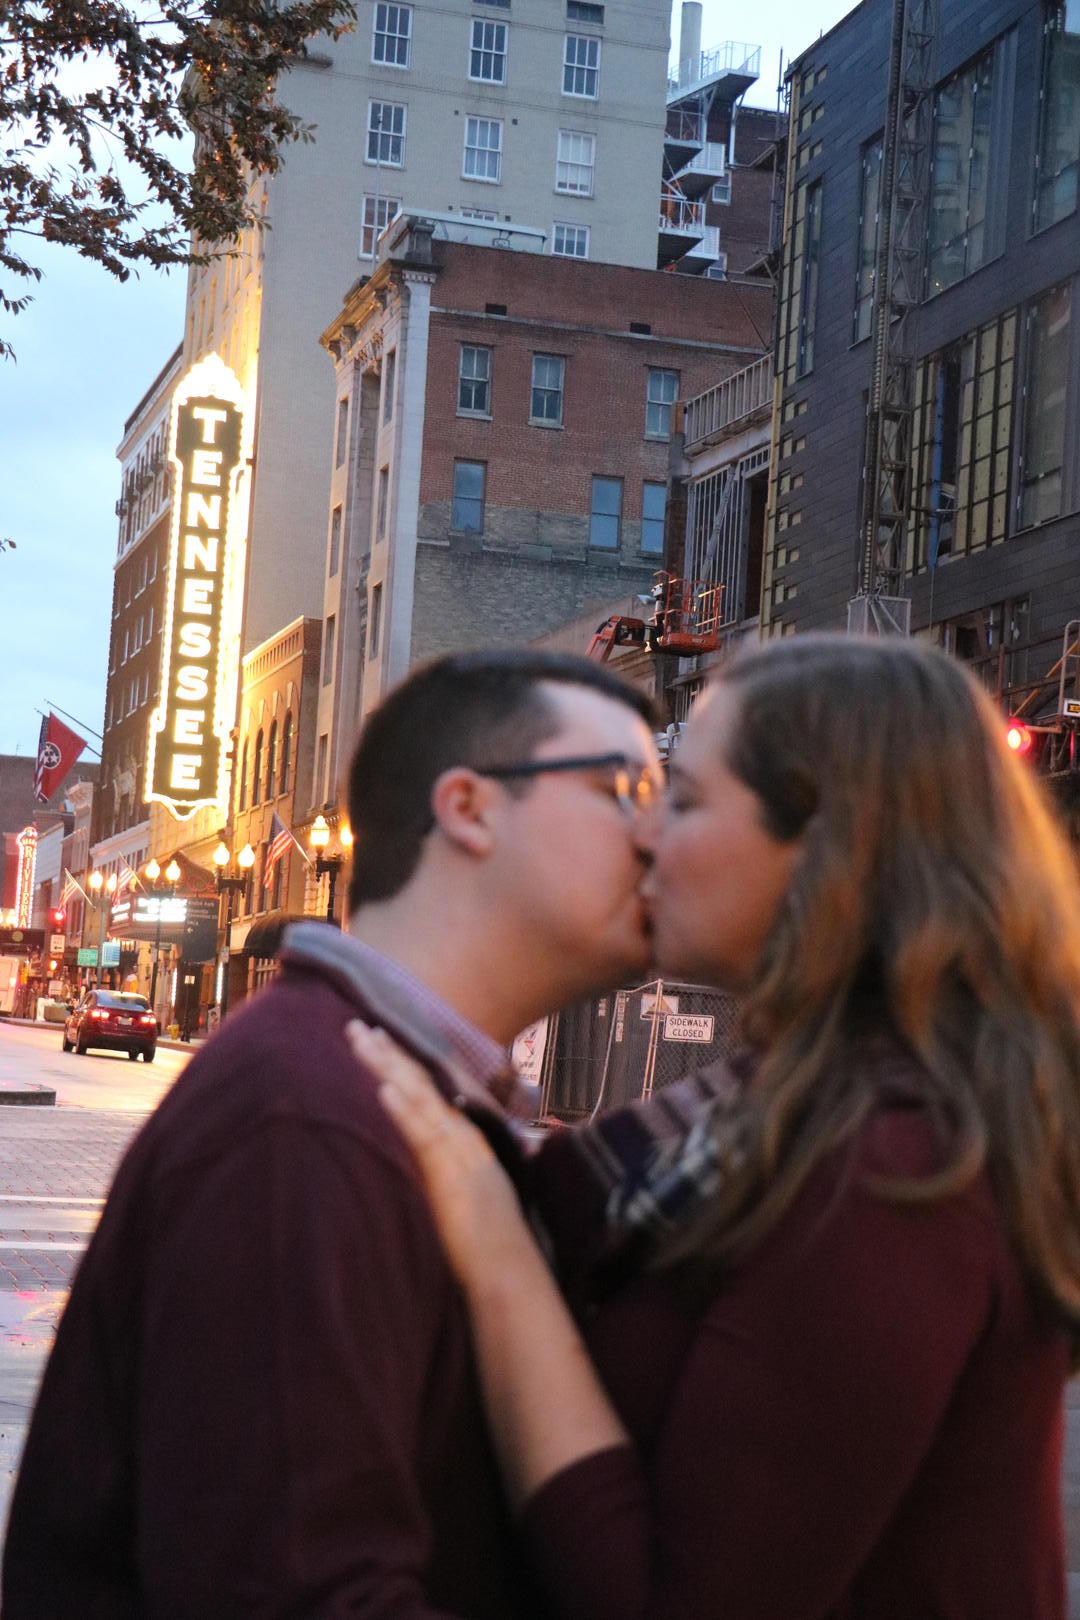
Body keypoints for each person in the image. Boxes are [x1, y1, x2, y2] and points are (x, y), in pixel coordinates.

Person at [351, 634, 1080, 1620]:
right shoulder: (797, 1117)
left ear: (829, 849)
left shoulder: (894, 1169)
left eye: (683, 800)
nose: (643, 837)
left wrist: (500, 1263)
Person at [1, 650, 664, 1618]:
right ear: (470, 808)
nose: (658, 837)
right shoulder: (308, 1121)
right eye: (626, 789)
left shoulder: (386, 1097)